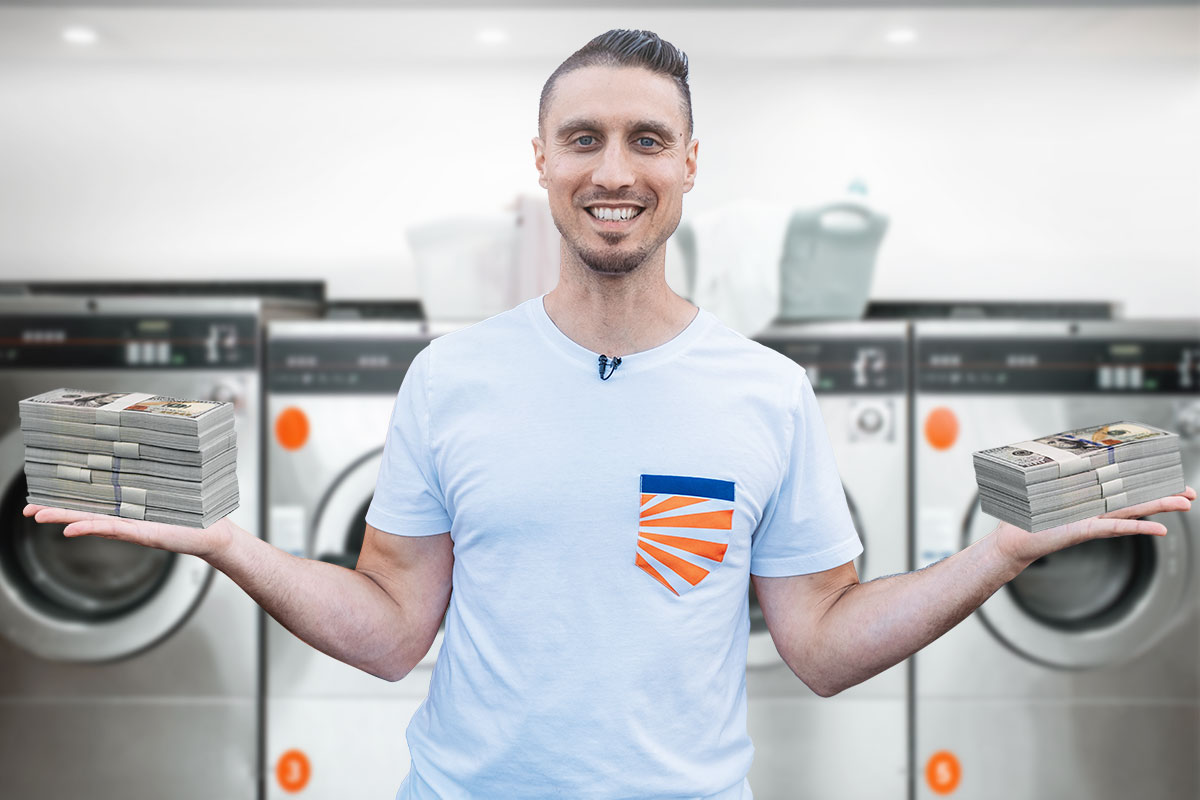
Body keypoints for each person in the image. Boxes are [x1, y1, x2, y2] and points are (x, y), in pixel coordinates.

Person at [24, 29, 1195, 800]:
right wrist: (226, 542)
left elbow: (825, 645)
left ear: (690, 163)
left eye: (647, 139)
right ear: (541, 160)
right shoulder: (452, 376)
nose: (614, 170)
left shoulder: (765, 390)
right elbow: (389, 630)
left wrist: (997, 553)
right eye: (583, 138)